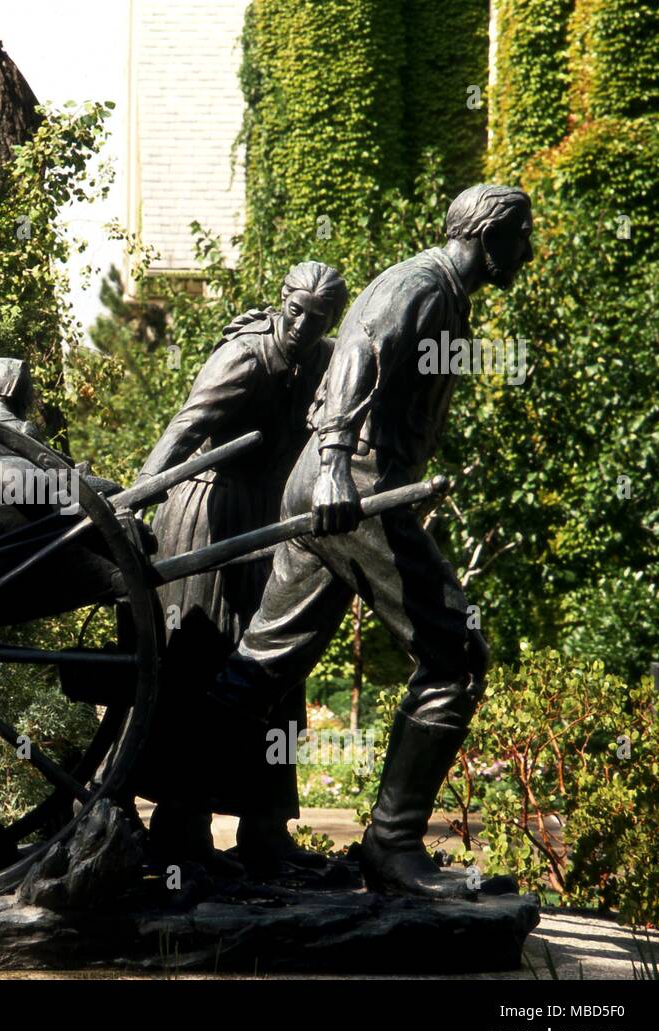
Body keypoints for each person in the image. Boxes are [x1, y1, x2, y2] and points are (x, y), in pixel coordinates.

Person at [206, 185, 534, 896]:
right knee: (455, 653)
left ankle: (183, 824)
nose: (529, 250)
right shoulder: (419, 284)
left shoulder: (443, 293)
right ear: (490, 234)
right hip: (351, 493)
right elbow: (357, 353)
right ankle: (392, 846)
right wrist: (332, 466)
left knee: (261, 666)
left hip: (336, 489)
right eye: (523, 235)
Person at [132, 262, 348, 873]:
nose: (305, 325)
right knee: (203, 660)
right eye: (298, 309)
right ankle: (181, 824)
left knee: (275, 662)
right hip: (210, 513)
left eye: (320, 317)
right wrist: (141, 492)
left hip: (270, 520)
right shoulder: (245, 356)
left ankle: (265, 829)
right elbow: (189, 424)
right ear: (283, 300)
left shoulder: (324, 360)